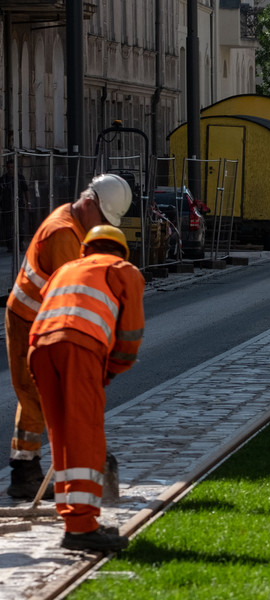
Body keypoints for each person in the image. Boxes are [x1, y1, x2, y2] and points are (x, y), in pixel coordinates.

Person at [5, 174, 131, 501]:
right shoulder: (64, 234)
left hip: (42, 317)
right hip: (30, 318)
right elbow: (75, 293)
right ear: (89, 203)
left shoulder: (75, 224)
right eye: (102, 219)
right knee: (35, 395)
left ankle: (27, 467)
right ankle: (25, 473)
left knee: (37, 395)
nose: (101, 227)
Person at [28, 224, 144, 552]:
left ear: (85, 249)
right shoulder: (124, 271)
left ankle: (76, 521)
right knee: (85, 435)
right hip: (79, 348)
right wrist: (108, 372)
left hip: (39, 348)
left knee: (62, 437)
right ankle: (81, 528)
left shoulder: (66, 269)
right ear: (122, 251)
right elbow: (129, 340)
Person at [0, 161, 31, 252]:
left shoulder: (20, 178)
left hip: (19, 205)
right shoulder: (3, 179)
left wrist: (28, 203)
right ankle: (10, 246)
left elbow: (26, 190)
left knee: (20, 226)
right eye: (9, 167)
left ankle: (20, 243)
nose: (10, 169)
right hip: (7, 206)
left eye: (12, 167)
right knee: (8, 227)